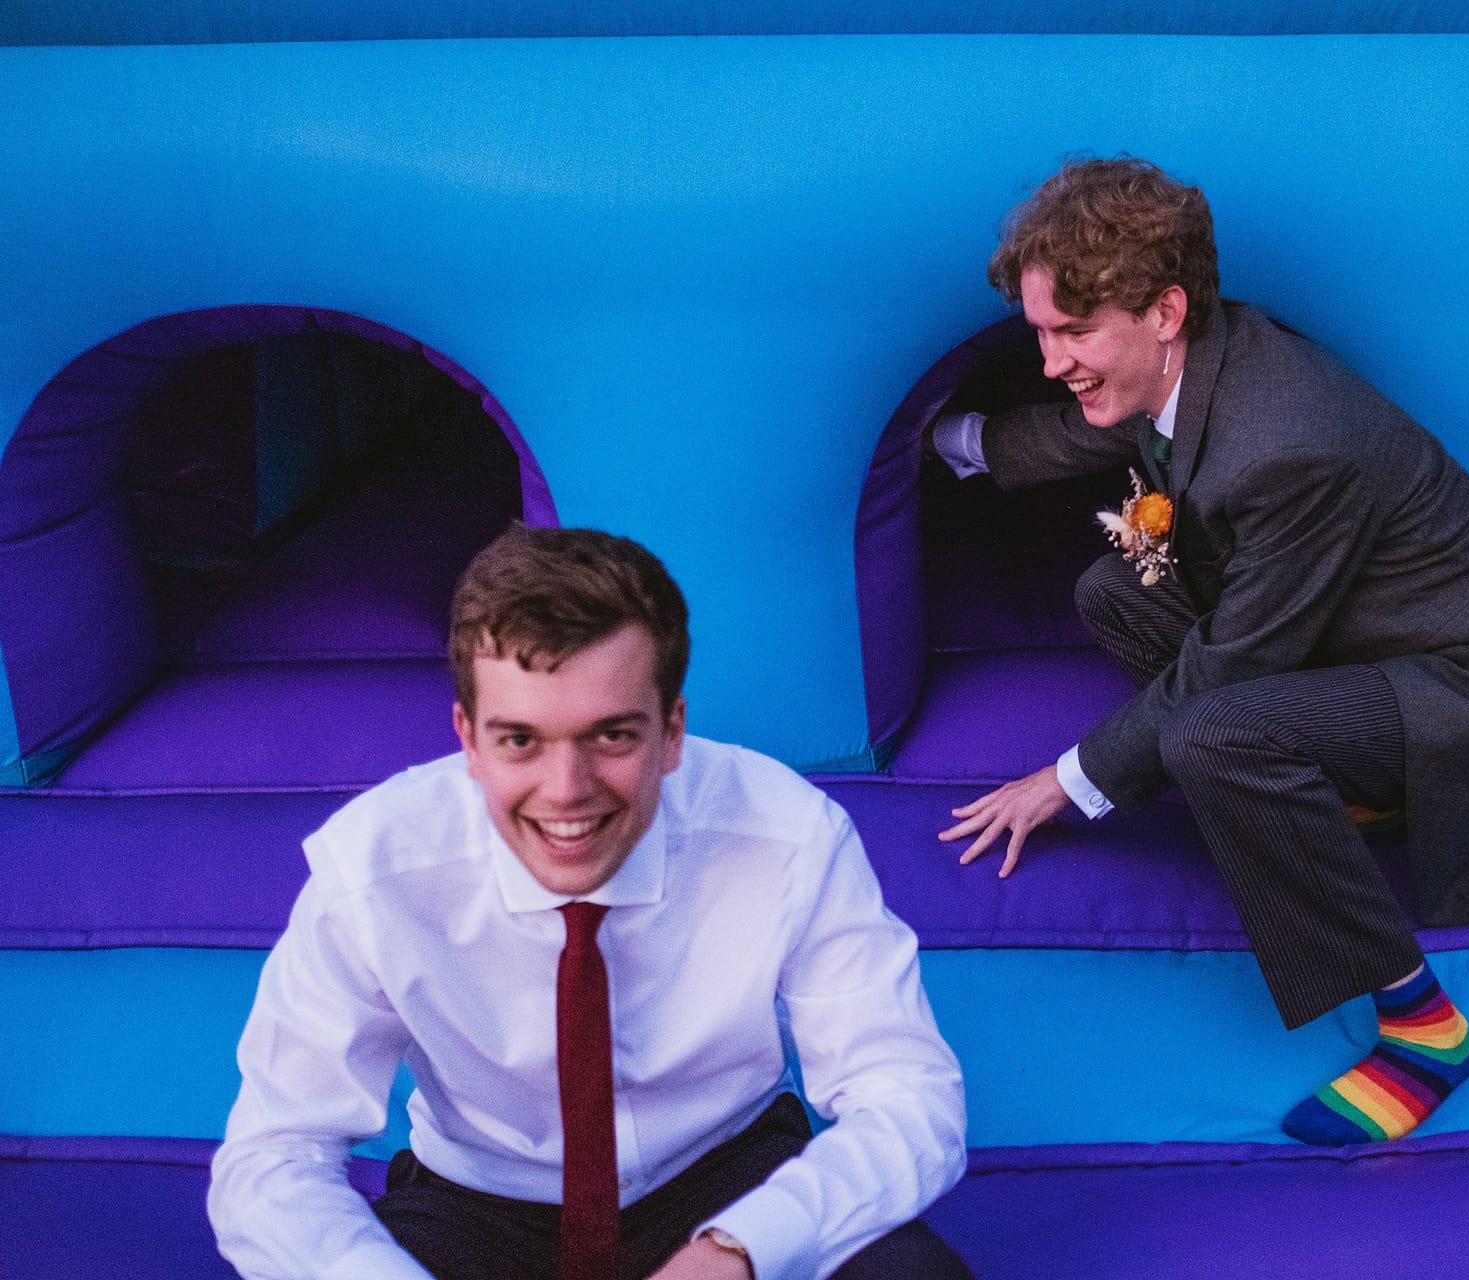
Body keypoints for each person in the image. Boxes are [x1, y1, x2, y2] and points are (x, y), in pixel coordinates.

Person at [933, 157, 1469, 1146]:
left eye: (1073, 332)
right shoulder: (1195, 364)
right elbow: (1086, 438)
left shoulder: (1287, 438)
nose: (1051, 359)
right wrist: (942, 438)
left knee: (1213, 732)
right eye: (1041, 331)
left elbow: (1232, 669)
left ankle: (1423, 1025)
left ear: (1163, 312)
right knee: (1114, 590)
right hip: (1358, 643)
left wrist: (1068, 780)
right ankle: (1331, 798)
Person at [209, 525, 972, 1280]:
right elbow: (273, 1155)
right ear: (468, 739)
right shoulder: (371, 868)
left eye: (611, 736)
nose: (566, 790)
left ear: (672, 732)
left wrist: (743, 1250)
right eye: (520, 741)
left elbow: (908, 1096)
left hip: (722, 1171)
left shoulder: (788, 834)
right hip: (480, 1201)